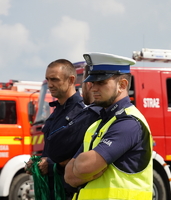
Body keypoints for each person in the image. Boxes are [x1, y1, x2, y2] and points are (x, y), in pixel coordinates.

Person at [64, 52, 153, 200]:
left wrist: (82, 169)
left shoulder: (129, 123)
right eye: (92, 82)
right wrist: (84, 169)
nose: (93, 88)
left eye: (101, 82)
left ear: (122, 85)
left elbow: (82, 167)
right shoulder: (99, 124)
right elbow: (69, 175)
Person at [25, 59, 101, 200]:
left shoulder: (84, 113)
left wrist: (51, 164)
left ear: (71, 80)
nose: (50, 85)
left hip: (71, 192)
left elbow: (86, 155)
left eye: (54, 79)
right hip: (52, 189)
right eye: (48, 79)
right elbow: (53, 152)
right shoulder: (55, 112)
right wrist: (38, 162)